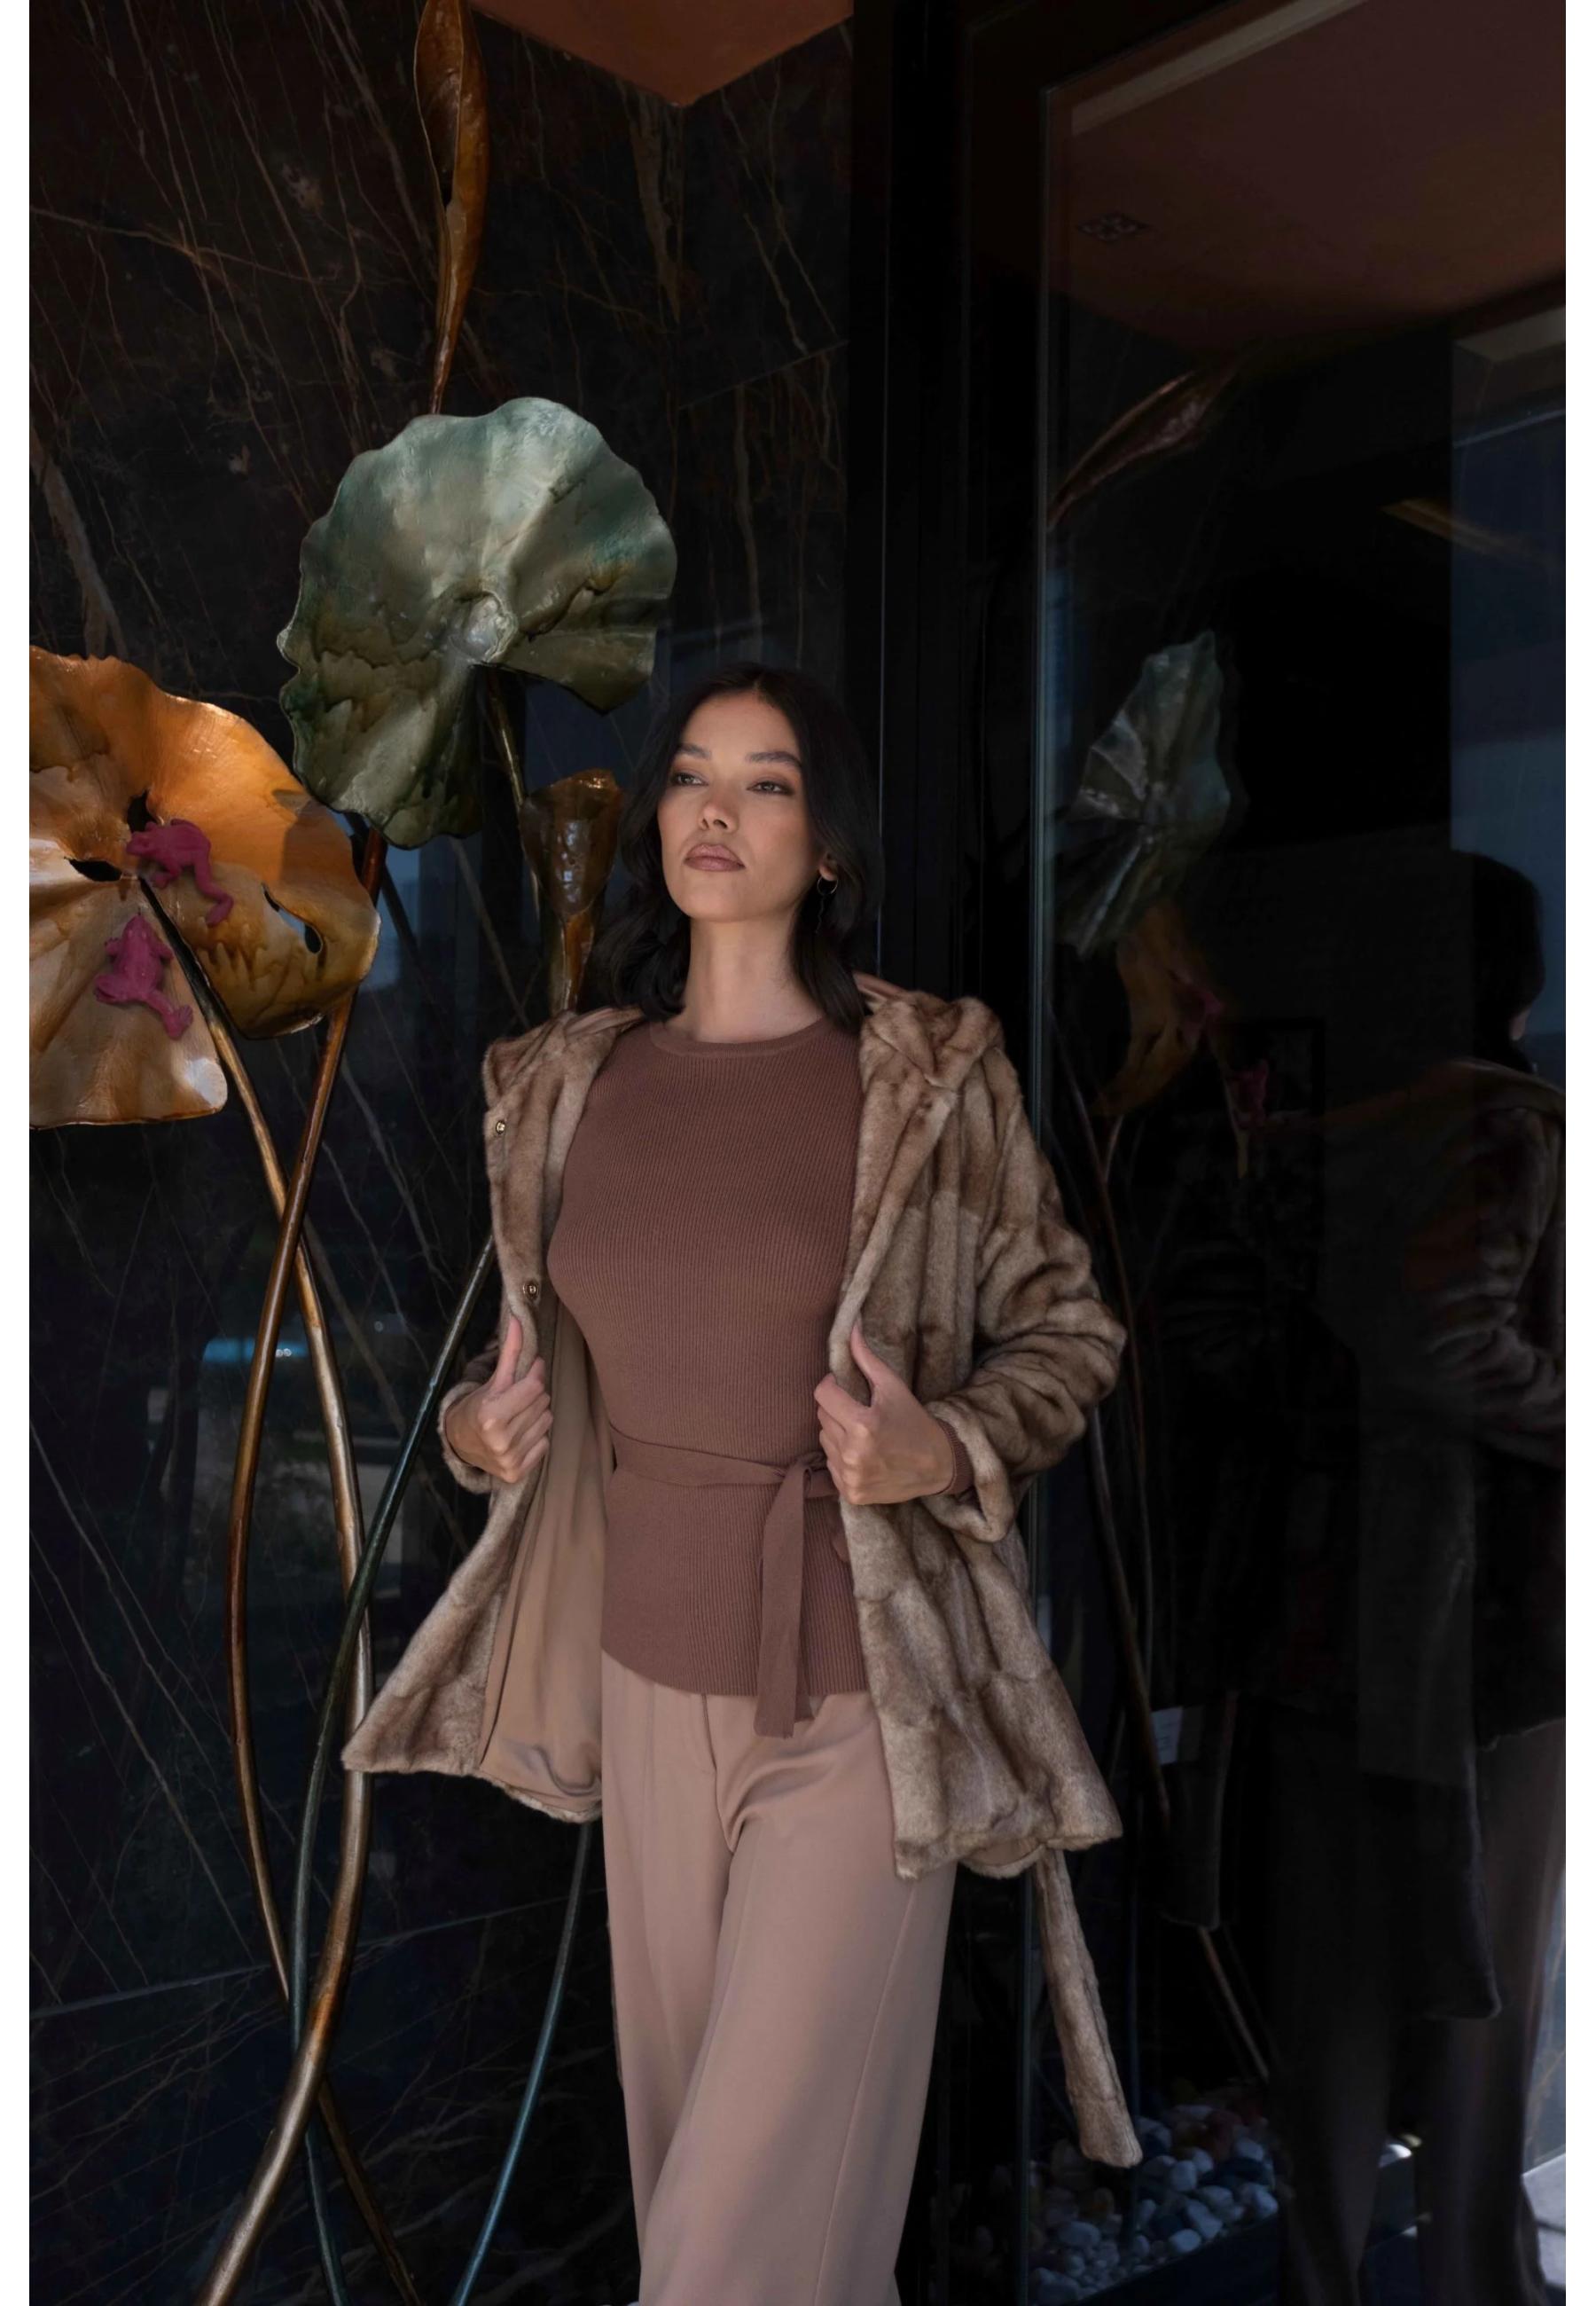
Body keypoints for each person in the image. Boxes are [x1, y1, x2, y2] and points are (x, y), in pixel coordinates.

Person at [362, 659, 1140, 2304]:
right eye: (692, 776)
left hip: (857, 1700)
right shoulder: (565, 1082)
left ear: (827, 842)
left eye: (767, 781)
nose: (716, 811)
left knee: (731, 2256)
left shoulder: (922, 1078)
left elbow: (1070, 1330)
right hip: (644, 1682)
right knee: (702, 2213)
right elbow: (523, 1374)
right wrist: (478, 1439)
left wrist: (945, 1444)